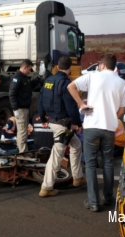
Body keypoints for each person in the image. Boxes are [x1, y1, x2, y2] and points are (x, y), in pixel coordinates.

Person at [67, 53, 125, 212]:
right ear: (114, 67)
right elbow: (122, 109)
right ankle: (108, 197)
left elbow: (71, 86)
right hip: (109, 128)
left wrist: (82, 104)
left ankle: (93, 201)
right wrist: (111, 117)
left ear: (102, 65)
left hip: (91, 126)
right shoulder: (121, 83)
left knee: (90, 164)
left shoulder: (92, 76)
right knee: (108, 162)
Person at [38, 56, 87, 197]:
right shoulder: (66, 83)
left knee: (76, 145)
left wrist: (42, 118)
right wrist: (77, 123)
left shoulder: (48, 81)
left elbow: (41, 101)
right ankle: (46, 187)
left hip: (53, 122)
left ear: (57, 67)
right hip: (63, 124)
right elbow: (71, 107)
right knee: (56, 156)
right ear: (70, 68)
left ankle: (77, 177)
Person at [9, 59, 44, 153]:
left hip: (24, 108)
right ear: (24, 67)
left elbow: (30, 86)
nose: (29, 71)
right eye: (29, 69)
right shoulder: (17, 78)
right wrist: (15, 109)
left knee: (23, 130)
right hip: (20, 109)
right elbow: (12, 94)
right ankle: (23, 153)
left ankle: (22, 151)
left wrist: (39, 76)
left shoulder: (24, 78)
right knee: (22, 132)